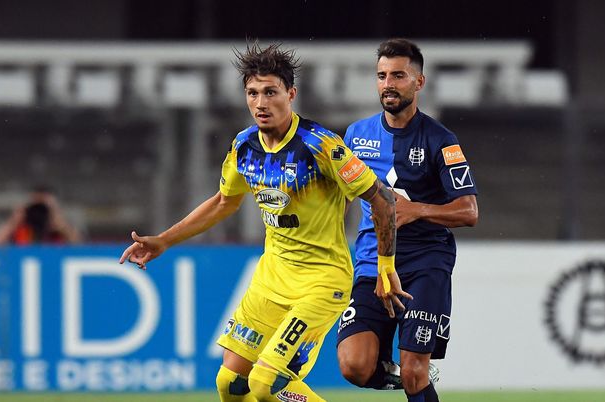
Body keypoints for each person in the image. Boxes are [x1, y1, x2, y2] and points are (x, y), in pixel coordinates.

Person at [119, 42, 410, 402]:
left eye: (270, 92)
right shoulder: (243, 146)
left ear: (290, 94)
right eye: (252, 93)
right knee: (231, 385)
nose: (260, 103)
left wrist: (385, 265)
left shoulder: (321, 146)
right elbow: (224, 202)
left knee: (265, 383)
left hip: (320, 282)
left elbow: (381, 199)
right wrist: (164, 240)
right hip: (271, 279)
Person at [336, 38, 479, 402]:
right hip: (373, 264)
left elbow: (469, 211)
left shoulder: (441, 140)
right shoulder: (355, 135)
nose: (388, 84)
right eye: (382, 76)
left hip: (425, 263)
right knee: (353, 366)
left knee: (415, 372)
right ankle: (396, 370)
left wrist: (418, 210)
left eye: (398, 75)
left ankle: (416, 375)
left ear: (419, 82)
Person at [0, 186, 82, 245]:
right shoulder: (20, 229)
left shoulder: (60, 232)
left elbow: (81, 248)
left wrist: (59, 222)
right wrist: (13, 222)